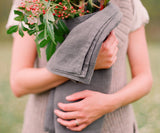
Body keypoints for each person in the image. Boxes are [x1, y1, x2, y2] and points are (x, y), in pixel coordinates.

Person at [6, 0, 152, 133]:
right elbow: (19, 84)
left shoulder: (127, 4)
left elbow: (144, 78)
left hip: (116, 127)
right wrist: (85, 64)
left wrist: (109, 103)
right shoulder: (32, 5)